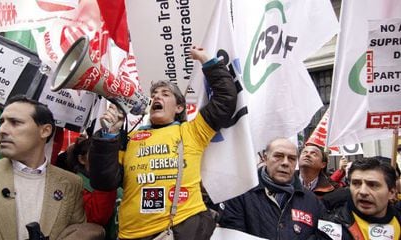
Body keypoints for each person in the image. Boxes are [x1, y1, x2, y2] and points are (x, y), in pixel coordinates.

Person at [89, 46, 237, 240]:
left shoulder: (192, 131)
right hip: (131, 234)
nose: (157, 97)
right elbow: (104, 181)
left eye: (165, 94)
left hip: (179, 229)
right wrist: (109, 136)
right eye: (154, 94)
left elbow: (225, 100)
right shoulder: (131, 139)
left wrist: (207, 62)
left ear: (179, 107)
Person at [0, 95, 87, 239]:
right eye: (1, 122)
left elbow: (76, 231)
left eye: (15, 122)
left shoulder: (71, 183)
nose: (1, 130)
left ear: (45, 131)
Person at [218, 138, 326, 239]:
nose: (285, 163)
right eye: (278, 156)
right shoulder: (240, 193)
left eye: (292, 158)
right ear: (265, 158)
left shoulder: (312, 201)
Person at [318, 157, 401, 240]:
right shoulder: (330, 229)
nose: (363, 192)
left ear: (391, 193)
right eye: (356, 183)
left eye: (372, 185)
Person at [66, 136, 120, 240]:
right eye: (97, 154)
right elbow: (97, 219)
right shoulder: (76, 186)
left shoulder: (118, 177)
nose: (104, 158)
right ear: (82, 159)